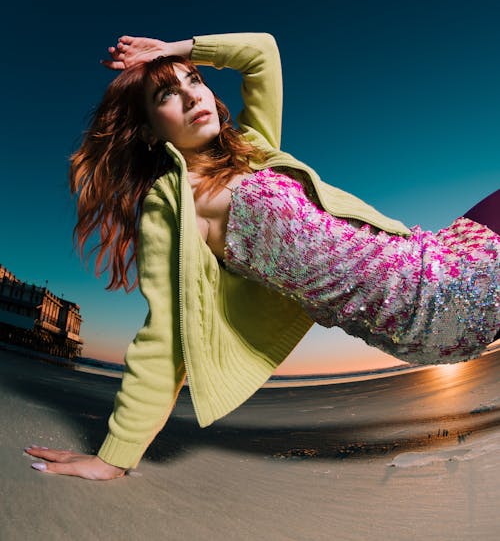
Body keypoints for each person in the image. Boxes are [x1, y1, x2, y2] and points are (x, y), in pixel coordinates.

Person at [25, 32, 500, 480]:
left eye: (195, 80)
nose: (193, 97)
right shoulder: (174, 206)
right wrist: (114, 455)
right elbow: (166, 336)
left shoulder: (252, 150)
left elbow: (262, 54)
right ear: (148, 132)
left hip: (437, 261)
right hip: (433, 306)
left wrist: (176, 47)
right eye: (167, 96)